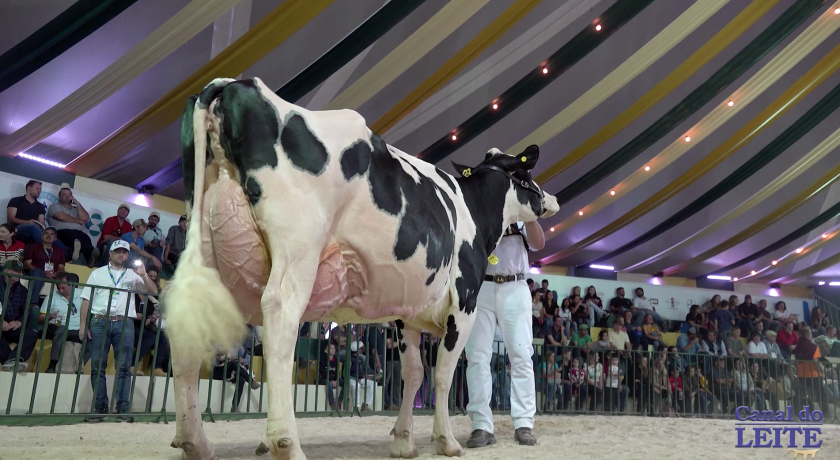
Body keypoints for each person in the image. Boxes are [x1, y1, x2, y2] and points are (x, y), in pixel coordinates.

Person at [465, 221, 545, 448]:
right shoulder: (480, 202)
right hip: (482, 285)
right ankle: (481, 425)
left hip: (516, 285)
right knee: (477, 356)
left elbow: (539, 243)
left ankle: (523, 423)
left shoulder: (520, 210)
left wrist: (529, 217)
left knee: (521, 355)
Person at [78, 240, 158, 422]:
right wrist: (83, 326)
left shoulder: (134, 274)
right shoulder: (97, 273)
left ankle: (122, 409)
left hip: (124, 323)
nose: (121, 255)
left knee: (124, 368)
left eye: (124, 252)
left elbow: (152, 292)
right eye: (118, 251)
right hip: (99, 321)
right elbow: (86, 301)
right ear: (111, 253)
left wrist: (144, 275)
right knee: (98, 367)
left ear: (128, 255)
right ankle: (100, 409)